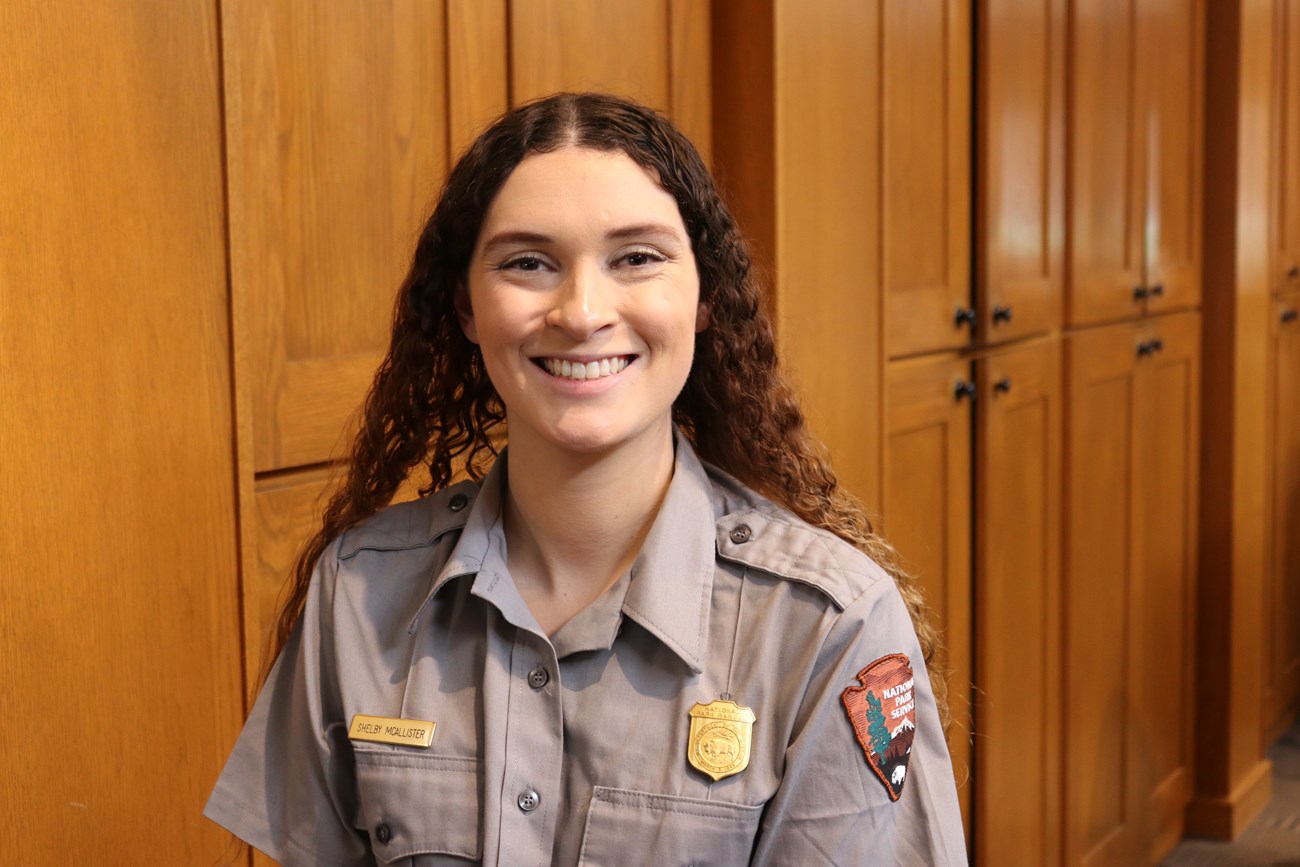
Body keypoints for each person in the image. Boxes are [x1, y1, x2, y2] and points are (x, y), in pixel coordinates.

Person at [205, 92, 967, 866]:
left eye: (636, 257)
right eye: (528, 262)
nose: (582, 311)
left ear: (704, 296)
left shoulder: (829, 627)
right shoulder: (360, 590)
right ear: (467, 306)